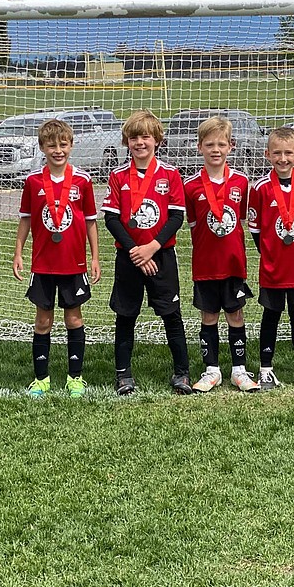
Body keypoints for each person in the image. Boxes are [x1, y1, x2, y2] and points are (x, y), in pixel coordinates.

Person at [101, 110, 193, 396]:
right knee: (125, 316)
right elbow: (112, 219)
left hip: (161, 256)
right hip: (129, 258)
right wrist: (135, 251)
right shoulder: (117, 176)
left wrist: (152, 248)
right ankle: (123, 375)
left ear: (157, 140)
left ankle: (182, 373)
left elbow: (176, 217)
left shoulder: (170, 174)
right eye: (133, 137)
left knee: (171, 315)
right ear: (126, 142)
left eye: (145, 136)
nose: (140, 142)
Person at [12, 119, 101, 398]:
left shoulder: (83, 181)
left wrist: (95, 257)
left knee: (74, 319)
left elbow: (90, 222)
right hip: (43, 264)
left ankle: (75, 377)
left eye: (63, 144)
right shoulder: (33, 181)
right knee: (43, 321)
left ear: (71, 146)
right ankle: (41, 379)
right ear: (42, 148)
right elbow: (26, 219)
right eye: (51, 145)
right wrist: (18, 251)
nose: (58, 150)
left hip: (73, 263)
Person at [183, 116, 259, 392]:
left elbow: (240, 220)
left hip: (233, 263)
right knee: (209, 316)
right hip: (205, 264)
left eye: (221, 144)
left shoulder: (241, 182)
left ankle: (239, 369)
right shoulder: (190, 186)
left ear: (231, 146)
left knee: (236, 315)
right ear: (199, 147)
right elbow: (193, 223)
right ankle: (211, 369)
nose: (216, 149)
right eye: (209, 144)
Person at [247, 126, 294, 390]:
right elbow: (256, 231)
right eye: (277, 153)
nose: (283, 159)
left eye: (288, 153)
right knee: (271, 315)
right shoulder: (259, 188)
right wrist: (271, 253)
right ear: (267, 154)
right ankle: (266, 369)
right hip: (273, 268)